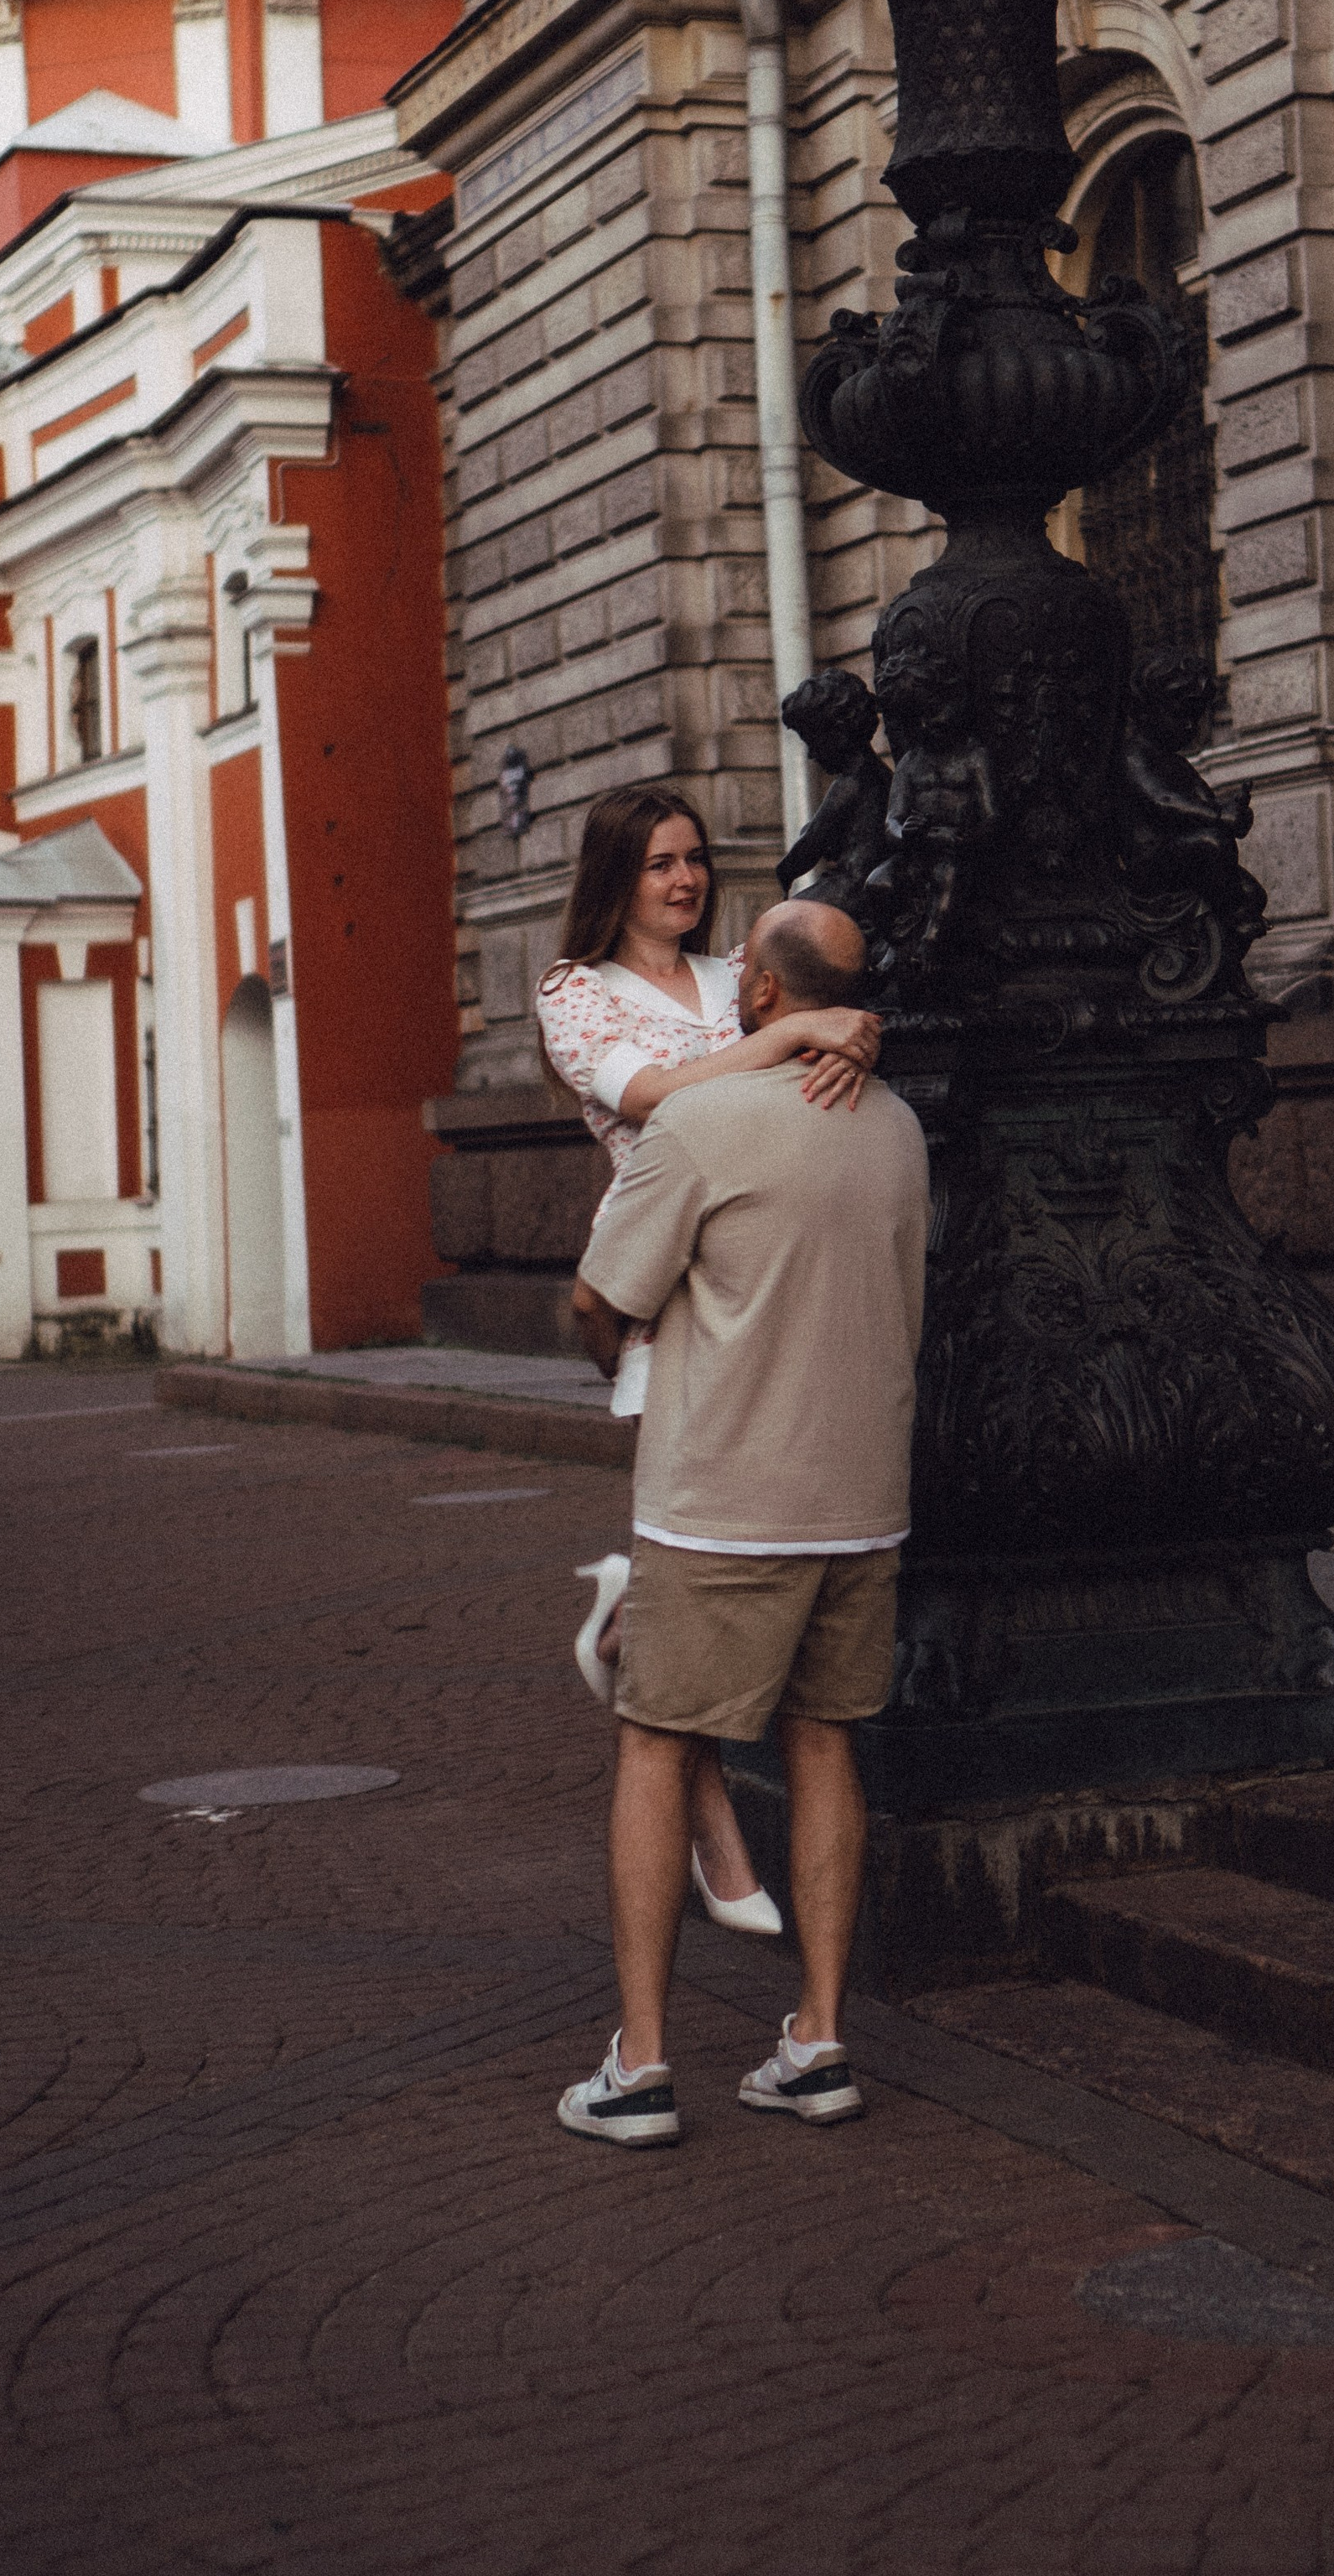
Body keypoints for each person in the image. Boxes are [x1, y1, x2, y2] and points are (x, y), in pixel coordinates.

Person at [556, 898, 928, 2148]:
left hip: (722, 1503)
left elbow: (599, 1300)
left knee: (657, 1749)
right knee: (827, 1747)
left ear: (763, 1000)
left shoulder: (698, 1124)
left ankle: (644, 2066)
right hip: (862, 1499)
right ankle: (818, 2042)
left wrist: (647, 1345)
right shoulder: (902, 1130)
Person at [536, 785, 883, 1936]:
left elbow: (822, 1023)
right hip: (662, 1281)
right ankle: (718, 1832)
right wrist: (789, 1037)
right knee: (688, 1532)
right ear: (615, 879)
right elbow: (652, 1100)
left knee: (714, 1558)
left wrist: (852, 1034)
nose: (683, 881)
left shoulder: (742, 974)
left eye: (692, 860)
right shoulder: (575, 997)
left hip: (774, 1275)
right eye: (656, 865)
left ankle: (626, 1630)